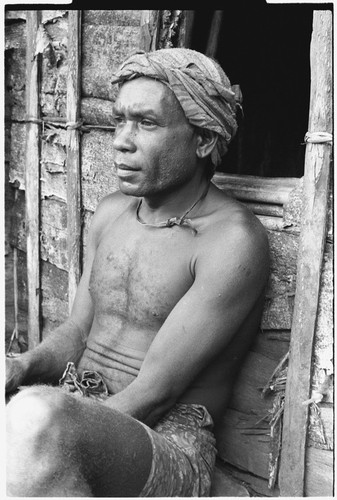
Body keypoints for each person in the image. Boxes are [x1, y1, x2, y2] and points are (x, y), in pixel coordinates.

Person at [6, 48, 270, 497]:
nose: (121, 140)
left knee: (34, 421)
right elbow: (78, 331)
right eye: (119, 121)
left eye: (146, 123)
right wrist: (20, 365)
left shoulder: (230, 241)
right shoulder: (111, 213)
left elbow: (155, 392)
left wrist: (50, 416)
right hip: (77, 407)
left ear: (203, 140)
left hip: (168, 445)